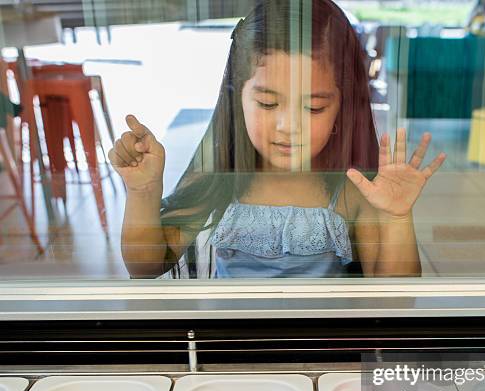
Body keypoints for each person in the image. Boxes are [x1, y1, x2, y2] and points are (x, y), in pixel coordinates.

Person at [111, 0, 445, 279]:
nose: (288, 126)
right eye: (268, 103)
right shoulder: (222, 181)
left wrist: (398, 218)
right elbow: (146, 266)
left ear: (342, 110)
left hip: (321, 355)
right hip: (231, 353)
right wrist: (142, 192)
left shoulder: (351, 192)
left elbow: (394, 299)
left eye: (313, 107)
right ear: (236, 99)